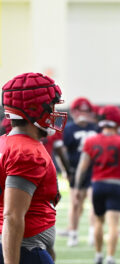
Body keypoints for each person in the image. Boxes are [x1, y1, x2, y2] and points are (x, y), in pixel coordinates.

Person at [0, 72, 68, 263]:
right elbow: (12, 216)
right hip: (24, 248)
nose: (54, 112)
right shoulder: (26, 152)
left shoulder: (6, 143)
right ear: (34, 109)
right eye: (52, 106)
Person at [75, 105, 120, 264]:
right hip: (115, 185)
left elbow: (82, 168)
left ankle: (98, 255)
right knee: (113, 225)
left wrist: (77, 188)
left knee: (98, 221)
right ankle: (110, 257)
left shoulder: (91, 141)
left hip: (97, 185)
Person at [62, 97, 98, 247]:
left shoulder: (95, 128)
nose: (83, 113)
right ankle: (73, 234)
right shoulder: (69, 129)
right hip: (75, 170)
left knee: (94, 203)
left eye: (86, 110)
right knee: (76, 203)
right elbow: (62, 151)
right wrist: (65, 169)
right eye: (80, 110)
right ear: (74, 112)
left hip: (93, 171)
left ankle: (92, 234)